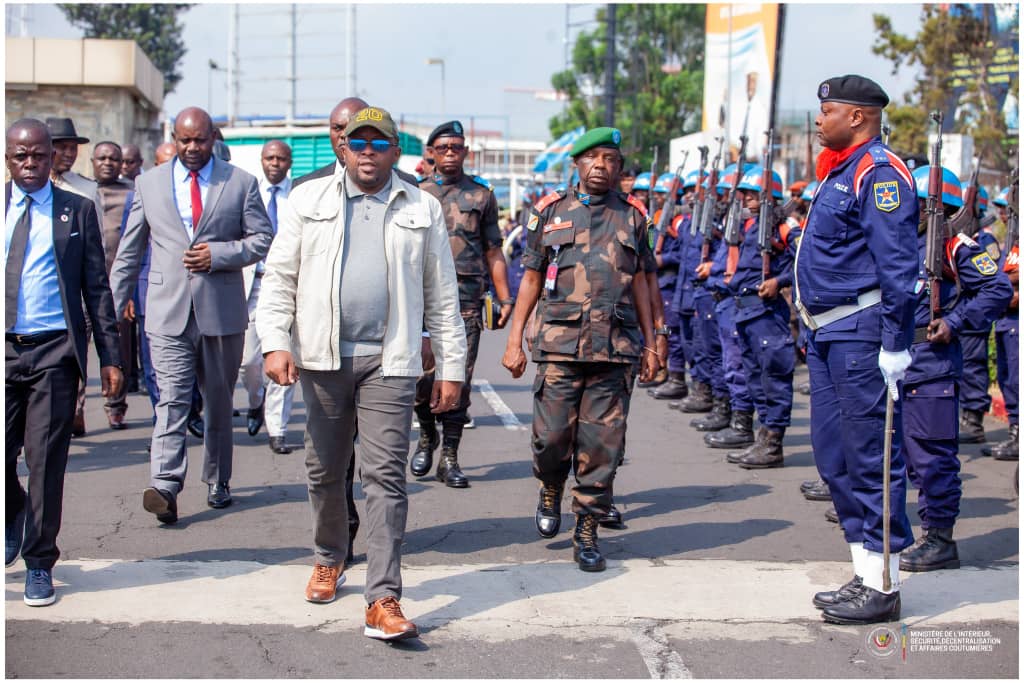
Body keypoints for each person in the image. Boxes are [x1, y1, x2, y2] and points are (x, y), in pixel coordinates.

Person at [257, 106, 467, 640]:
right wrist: (274, 343)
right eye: (359, 142)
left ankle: (383, 597)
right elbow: (280, 276)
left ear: (396, 150)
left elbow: (443, 294)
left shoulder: (420, 206)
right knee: (325, 469)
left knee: (385, 477)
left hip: (390, 360)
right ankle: (330, 555)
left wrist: (451, 368)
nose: (368, 151)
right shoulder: (309, 199)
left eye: (379, 142)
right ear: (343, 149)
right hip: (323, 358)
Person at [502, 126, 660, 572]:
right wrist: (515, 340)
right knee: (550, 438)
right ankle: (551, 485)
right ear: (576, 163)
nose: (600, 166)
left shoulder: (634, 217)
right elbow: (531, 278)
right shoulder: (550, 212)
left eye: (609, 159)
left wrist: (653, 342)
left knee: (602, 444)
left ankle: (586, 525)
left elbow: (645, 282)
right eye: (591, 158)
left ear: (619, 168)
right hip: (558, 344)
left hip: (616, 346)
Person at [794, 75, 919, 625]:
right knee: (834, 456)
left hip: (861, 335)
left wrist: (895, 344)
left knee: (871, 458)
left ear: (859, 117)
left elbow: (898, 267)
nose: (820, 120)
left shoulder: (879, 172)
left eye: (828, 111)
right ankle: (864, 572)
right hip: (827, 334)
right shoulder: (840, 171)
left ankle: (884, 585)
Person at [109, 106, 273, 522]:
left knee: (218, 402)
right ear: (174, 138)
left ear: (212, 137)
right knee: (172, 399)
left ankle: (218, 479)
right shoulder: (148, 184)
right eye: (184, 140)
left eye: (200, 140)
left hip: (221, 311)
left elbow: (261, 239)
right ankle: (164, 483)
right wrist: (110, 315)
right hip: (167, 313)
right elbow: (129, 253)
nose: (193, 148)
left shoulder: (240, 182)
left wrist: (219, 255)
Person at [5, 118, 123, 605]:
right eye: (20, 156)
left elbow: (97, 286)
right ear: (8, 158)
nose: (30, 164)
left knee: (45, 460)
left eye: (39, 155)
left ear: (52, 156)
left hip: (55, 351)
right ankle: (13, 512)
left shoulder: (75, 210)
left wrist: (111, 357)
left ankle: (38, 562)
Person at [898, 166, 1012, 572]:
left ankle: (940, 540)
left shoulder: (954, 244)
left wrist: (954, 321)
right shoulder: (897, 240)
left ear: (936, 208)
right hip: (895, 362)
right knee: (901, 456)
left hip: (931, 362)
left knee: (932, 457)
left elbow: (998, 287)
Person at [411, 121, 513, 487]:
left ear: (466, 152)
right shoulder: (414, 192)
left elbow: (493, 250)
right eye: (444, 147)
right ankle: (426, 436)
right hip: (418, 302)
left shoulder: (481, 196)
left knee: (460, 381)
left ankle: (449, 457)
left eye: (457, 147)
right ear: (431, 153)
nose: (451, 153)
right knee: (419, 382)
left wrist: (505, 299)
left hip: (464, 302)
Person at [722, 165, 798, 469]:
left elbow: (801, 261)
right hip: (747, 312)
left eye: (753, 195)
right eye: (746, 194)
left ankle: (773, 442)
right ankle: (762, 437)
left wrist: (778, 282)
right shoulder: (753, 226)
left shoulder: (783, 227)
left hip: (766, 312)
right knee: (755, 377)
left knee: (773, 377)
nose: (747, 200)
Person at [238, 140, 297, 455]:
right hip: (253, 284)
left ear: (290, 162)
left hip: (287, 287)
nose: (275, 163)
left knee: (282, 358)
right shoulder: (248, 192)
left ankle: (278, 429)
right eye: (269, 158)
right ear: (262, 160)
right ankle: (255, 400)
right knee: (248, 361)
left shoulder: (300, 194)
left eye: (281, 158)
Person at [46, 117, 103, 437]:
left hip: (76, 289)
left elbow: (95, 246)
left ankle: (74, 408)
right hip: (37, 290)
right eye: (61, 148)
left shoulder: (86, 189)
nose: (67, 154)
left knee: (75, 351)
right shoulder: (20, 188)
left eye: (72, 148)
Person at [91, 141, 136, 428]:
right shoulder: (82, 192)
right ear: (93, 161)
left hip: (119, 285)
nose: (108, 163)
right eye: (102, 158)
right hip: (88, 281)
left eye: (114, 158)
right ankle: (74, 407)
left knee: (120, 347)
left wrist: (131, 289)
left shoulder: (132, 193)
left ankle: (116, 404)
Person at [956, 185, 1001, 444]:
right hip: (960, 315)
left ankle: (973, 421)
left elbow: (992, 275)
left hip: (973, 317)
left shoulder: (983, 240)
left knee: (973, 368)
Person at [981, 186, 1018, 460]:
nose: (1004, 214)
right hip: (1006, 320)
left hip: (1016, 321)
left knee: (1017, 380)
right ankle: (1015, 435)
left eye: (1009, 208)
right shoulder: (1011, 242)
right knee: (1007, 379)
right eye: (1003, 209)